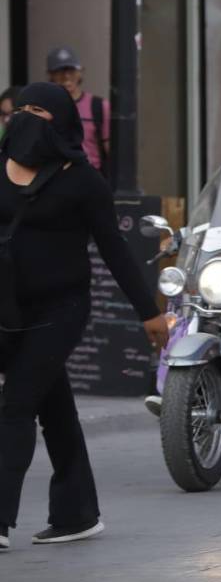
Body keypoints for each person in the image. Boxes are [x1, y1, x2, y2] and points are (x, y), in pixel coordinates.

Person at [0, 83, 168, 549]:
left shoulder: (83, 181)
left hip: (61, 309)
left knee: (16, 403)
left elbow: (115, 249)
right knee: (54, 409)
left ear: (60, 120)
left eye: (37, 110)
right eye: (20, 109)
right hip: (9, 309)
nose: (24, 117)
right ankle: (76, 513)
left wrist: (148, 312)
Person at [45, 46, 109, 175]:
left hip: (92, 176)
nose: (66, 76)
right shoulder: (44, 108)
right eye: (60, 71)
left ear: (80, 71)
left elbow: (110, 148)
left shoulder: (99, 106)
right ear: (50, 75)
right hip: (57, 177)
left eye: (71, 70)